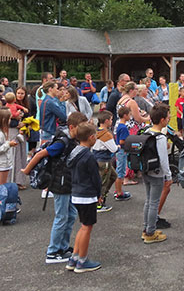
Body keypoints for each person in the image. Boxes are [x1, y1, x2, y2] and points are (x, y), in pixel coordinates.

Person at [22, 112, 86, 264]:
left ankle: (62, 247)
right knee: (61, 216)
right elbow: (40, 154)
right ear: (72, 127)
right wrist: (27, 170)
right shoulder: (62, 142)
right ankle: (53, 251)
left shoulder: (72, 139)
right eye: (81, 128)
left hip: (68, 181)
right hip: (60, 183)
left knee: (70, 215)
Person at [66, 121, 102, 273]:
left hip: (76, 192)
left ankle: (74, 257)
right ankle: (82, 260)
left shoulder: (75, 152)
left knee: (83, 226)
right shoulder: (89, 156)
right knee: (87, 227)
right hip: (87, 195)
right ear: (92, 137)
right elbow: (96, 178)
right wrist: (99, 195)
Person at [141, 104, 172, 244]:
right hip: (157, 173)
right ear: (162, 120)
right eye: (168, 117)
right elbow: (164, 160)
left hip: (146, 170)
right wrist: (169, 176)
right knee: (154, 202)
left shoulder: (147, 131)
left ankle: (146, 228)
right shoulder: (160, 137)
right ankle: (151, 232)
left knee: (148, 201)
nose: (169, 118)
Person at [0, 108, 19, 202]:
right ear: (3, 120)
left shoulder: (1, 132)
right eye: (9, 119)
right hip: (1, 163)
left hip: (3, 162)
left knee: (2, 185)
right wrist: (8, 144)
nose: (10, 121)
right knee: (0, 186)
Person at [92, 110, 118, 213]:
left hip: (97, 158)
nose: (112, 121)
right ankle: (99, 204)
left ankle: (103, 195)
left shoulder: (96, 131)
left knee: (113, 176)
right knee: (103, 182)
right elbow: (113, 149)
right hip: (104, 161)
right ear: (106, 121)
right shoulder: (106, 135)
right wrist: (119, 147)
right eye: (111, 119)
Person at [114, 106, 132, 201]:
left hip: (119, 150)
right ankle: (119, 192)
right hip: (122, 150)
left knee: (119, 170)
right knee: (120, 171)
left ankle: (118, 190)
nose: (130, 116)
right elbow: (122, 141)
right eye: (129, 114)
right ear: (125, 115)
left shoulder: (119, 126)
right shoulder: (124, 127)